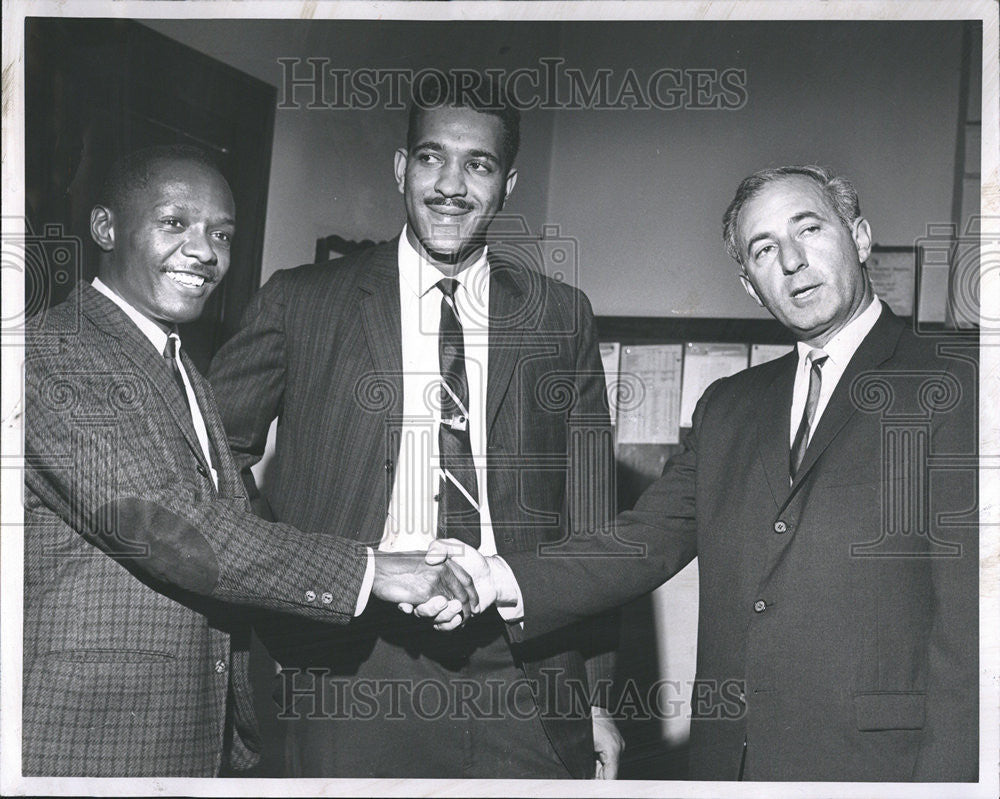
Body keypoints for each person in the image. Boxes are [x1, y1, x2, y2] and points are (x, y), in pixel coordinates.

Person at [427, 165, 979, 781]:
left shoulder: (958, 384)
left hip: (883, 771)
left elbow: (973, 630)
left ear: (860, 237)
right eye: (764, 249)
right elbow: (643, 540)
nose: (792, 261)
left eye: (810, 229)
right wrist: (496, 577)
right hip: (729, 765)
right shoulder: (729, 406)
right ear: (750, 285)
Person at [208, 78, 622, 779]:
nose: (451, 185)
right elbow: (207, 459)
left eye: (479, 164)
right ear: (402, 169)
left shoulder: (561, 316)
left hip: (523, 671)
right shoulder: (301, 301)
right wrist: (317, 580)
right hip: (352, 663)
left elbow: (593, 524)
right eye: (432, 158)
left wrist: (598, 695)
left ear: (509, 183)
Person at [22, 144, 476, 778]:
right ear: (106, 229)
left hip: (184, 733)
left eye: (222, 233)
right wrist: (376, 571)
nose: (205, 251)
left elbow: (233, 518)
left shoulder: (180, 368)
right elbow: (170, 528)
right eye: (175, 222)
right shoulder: (50, 354)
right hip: (87, 739)